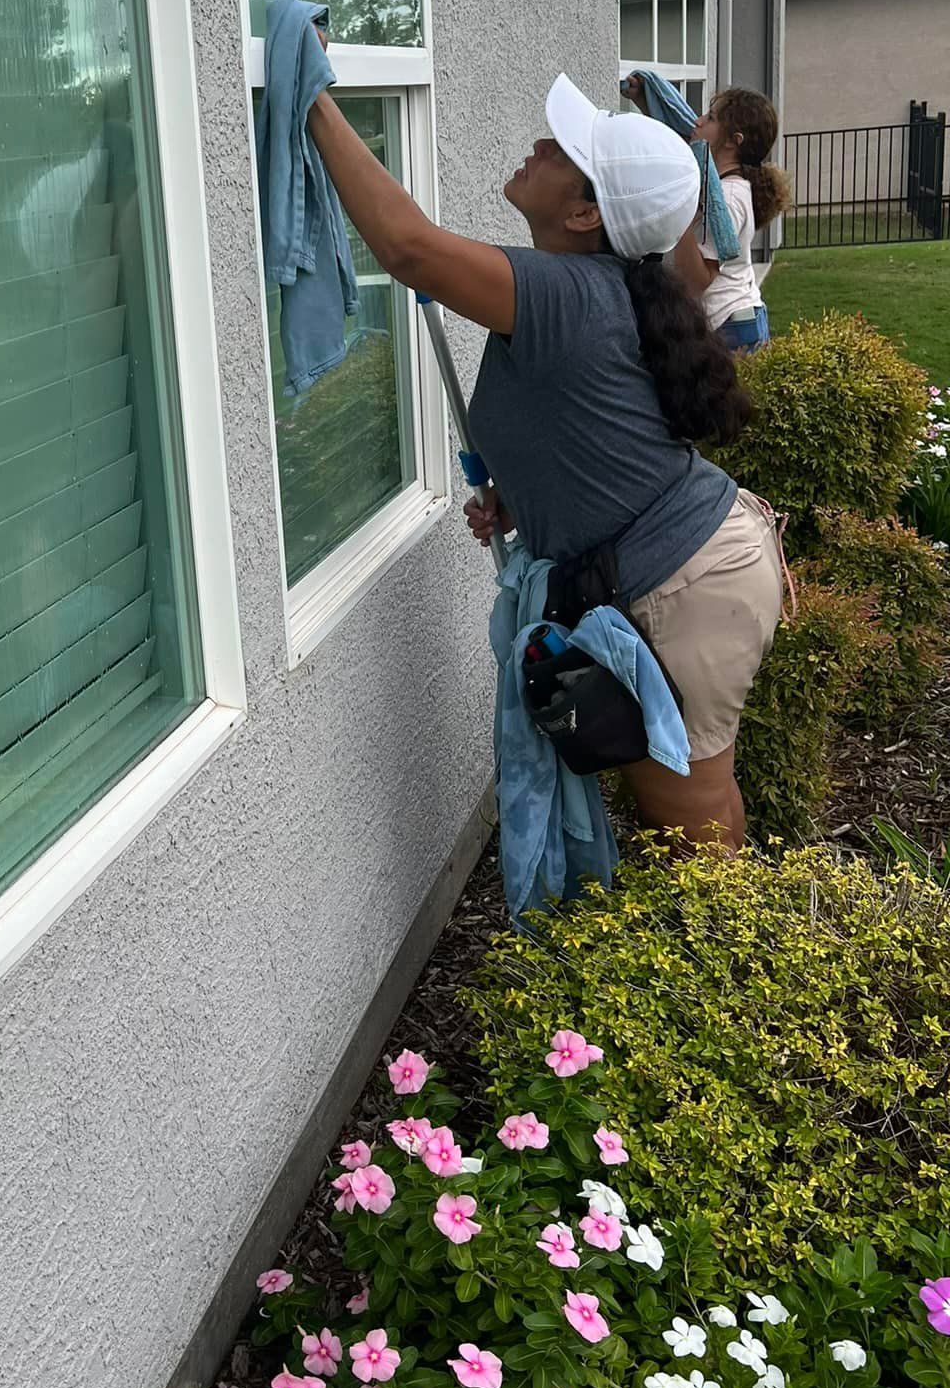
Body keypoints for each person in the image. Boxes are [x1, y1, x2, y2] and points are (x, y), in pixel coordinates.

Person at [305, 71, 785, 852]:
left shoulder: (565, 289)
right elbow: (601, 429)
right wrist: (528, 499)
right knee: (696, 795)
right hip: (701, 562)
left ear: (585, 211)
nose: (536, 145)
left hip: (685, 583)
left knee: (688, 813)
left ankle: (729, 961)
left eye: (560, 148)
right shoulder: (610, 286)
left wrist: (314, 98)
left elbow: (409, 248)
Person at [688, 86, 791, 350]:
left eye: (710, 118)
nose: (697, 121)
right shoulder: (725, 185)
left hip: (730, 327)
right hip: (738, 318)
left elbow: (700, 278)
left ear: (734, 140)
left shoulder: (727, 199)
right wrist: (646, 97)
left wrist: (678, 228)